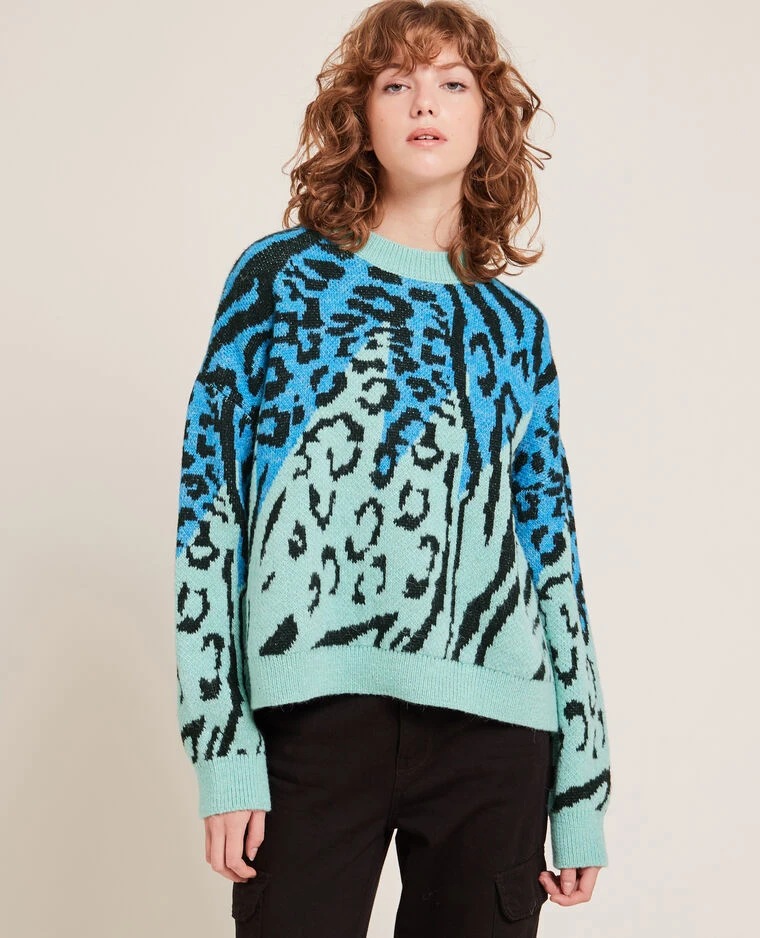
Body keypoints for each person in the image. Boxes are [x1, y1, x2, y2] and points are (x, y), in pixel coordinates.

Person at [173, 1, 612, 935]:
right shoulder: (277, 282)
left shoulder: (515, 330)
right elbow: (209, 514)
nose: (425, 102)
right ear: (359, 116)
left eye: (453, 83)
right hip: (314, 717)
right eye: (396, 83)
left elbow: (553, 553)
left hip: (497, 732)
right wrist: (222, 747)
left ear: (488, 119)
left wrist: (582, 786)